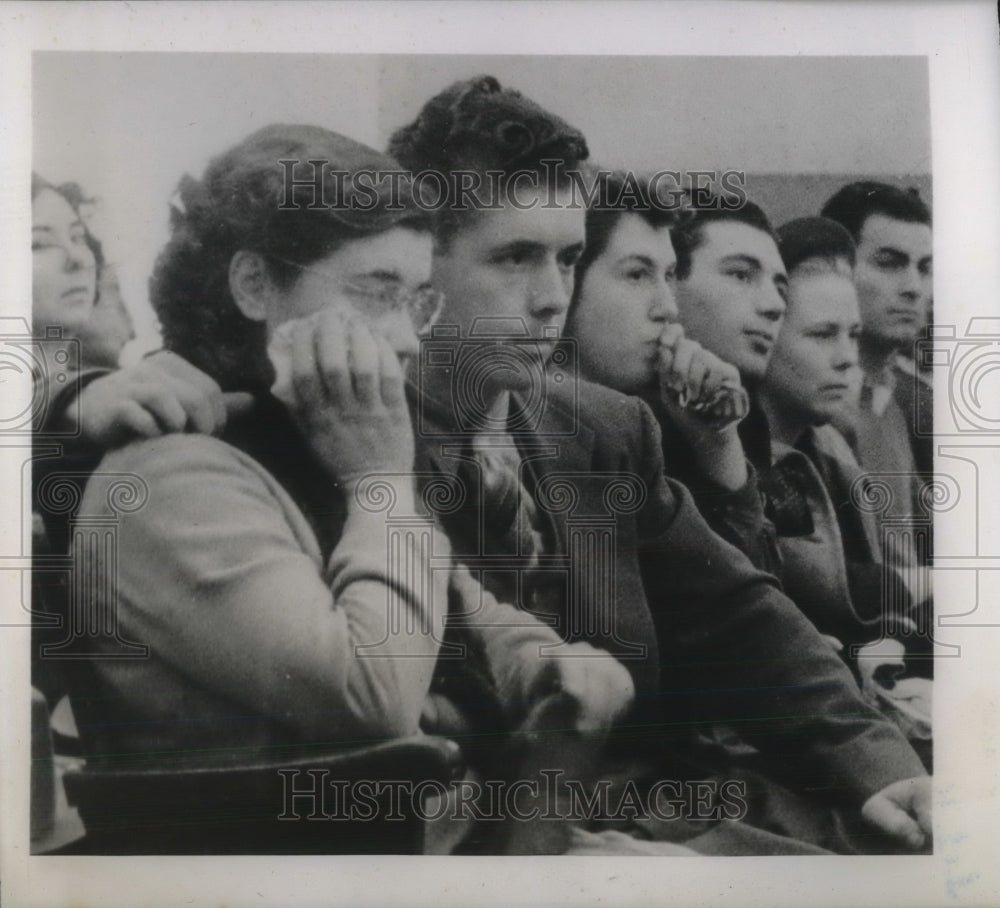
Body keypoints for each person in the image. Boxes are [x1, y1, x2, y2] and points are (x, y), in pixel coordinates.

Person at [388, 74, 931, 854]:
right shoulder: (359, 444)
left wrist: (883, 769)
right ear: (417, 267)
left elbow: (740, 616)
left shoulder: (603, 427)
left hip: (662, 818)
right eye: (515, 258)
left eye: (569, 259)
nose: (552, 297)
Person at [67, 125, 635, 855]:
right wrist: (380, 483)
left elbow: (460, 610)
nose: (406, 339)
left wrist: (547, 662)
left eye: (416, 302)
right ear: (253, 285)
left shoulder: (301, 438)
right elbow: (373, 696)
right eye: (376, 294)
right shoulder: (173, 478)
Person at [760, 216, 931, 763]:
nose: (846, 358)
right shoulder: (747, 460)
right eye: (821, 334)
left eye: (852, 335)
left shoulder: (830, 447)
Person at [564, 173, 776, 571]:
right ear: (567, 280)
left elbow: (750, 592)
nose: (668, 307)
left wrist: (717, 445)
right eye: (637, 274)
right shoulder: (516, 437)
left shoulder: (657, 437)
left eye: (669, 276)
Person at [820, 181, 934, 518]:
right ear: (836, 268)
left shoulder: (894, 399)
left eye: (924, 268)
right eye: (889, 263)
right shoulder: (814, 407)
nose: (914, 288)